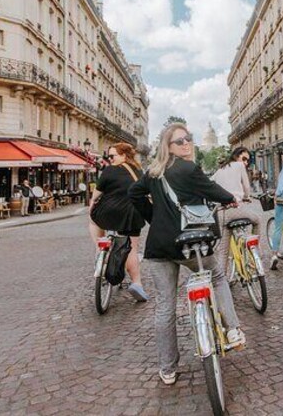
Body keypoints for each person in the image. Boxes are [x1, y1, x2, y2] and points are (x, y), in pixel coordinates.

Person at [128, 123, 246, 386]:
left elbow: (133, 193)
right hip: (188, 243)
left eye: (188, 139)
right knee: (216, 276)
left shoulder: (153, 172)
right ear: (168, 147)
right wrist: (231, 199)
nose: (186, 144)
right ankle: (233, 329)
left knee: (165, 306)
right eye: (180, 141)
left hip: (159, 247)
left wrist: (154, 218)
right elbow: (213, 191)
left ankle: (168, 368)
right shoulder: (189, 169)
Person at [89, 143, 148, 302]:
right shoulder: (139, 171)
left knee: (93, 222)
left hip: (107, 213)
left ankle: (100, 249)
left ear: (123, 156)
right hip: (131, 215)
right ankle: (137, 284)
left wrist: (91, 206)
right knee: (132, 249)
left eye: (112, 156)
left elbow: (95, 196)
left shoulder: (109, 170)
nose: (109, 159)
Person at [211, 147, 260, 276]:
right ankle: (254, 252)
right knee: (257, 221)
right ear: (236, 156)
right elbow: (246, 187)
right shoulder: (239, 166)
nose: (245, 162)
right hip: (236, 209)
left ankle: (222, 281)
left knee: (223, 251)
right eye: (244, 159)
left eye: (248, 161)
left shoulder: (220, 170)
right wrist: (246, 197)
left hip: (222, 213)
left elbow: (210, 184)